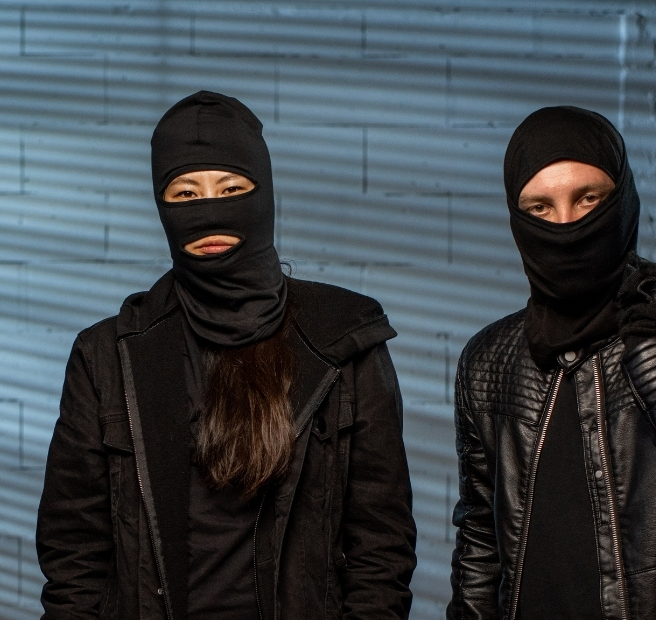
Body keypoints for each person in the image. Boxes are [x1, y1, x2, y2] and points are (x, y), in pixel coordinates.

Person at [37, 91, 417, 620]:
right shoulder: (106, 357)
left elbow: (381, 555)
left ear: (264, 195)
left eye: (231, 188)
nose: (210, 210)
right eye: (186, 193)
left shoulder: (344, 344)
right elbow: (73, 563)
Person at [448, 106, 656, 619]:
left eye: (588, 198)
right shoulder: (489, 361)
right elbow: (482, 542)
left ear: (623, 200)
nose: (568, 226)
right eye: (540, 208)